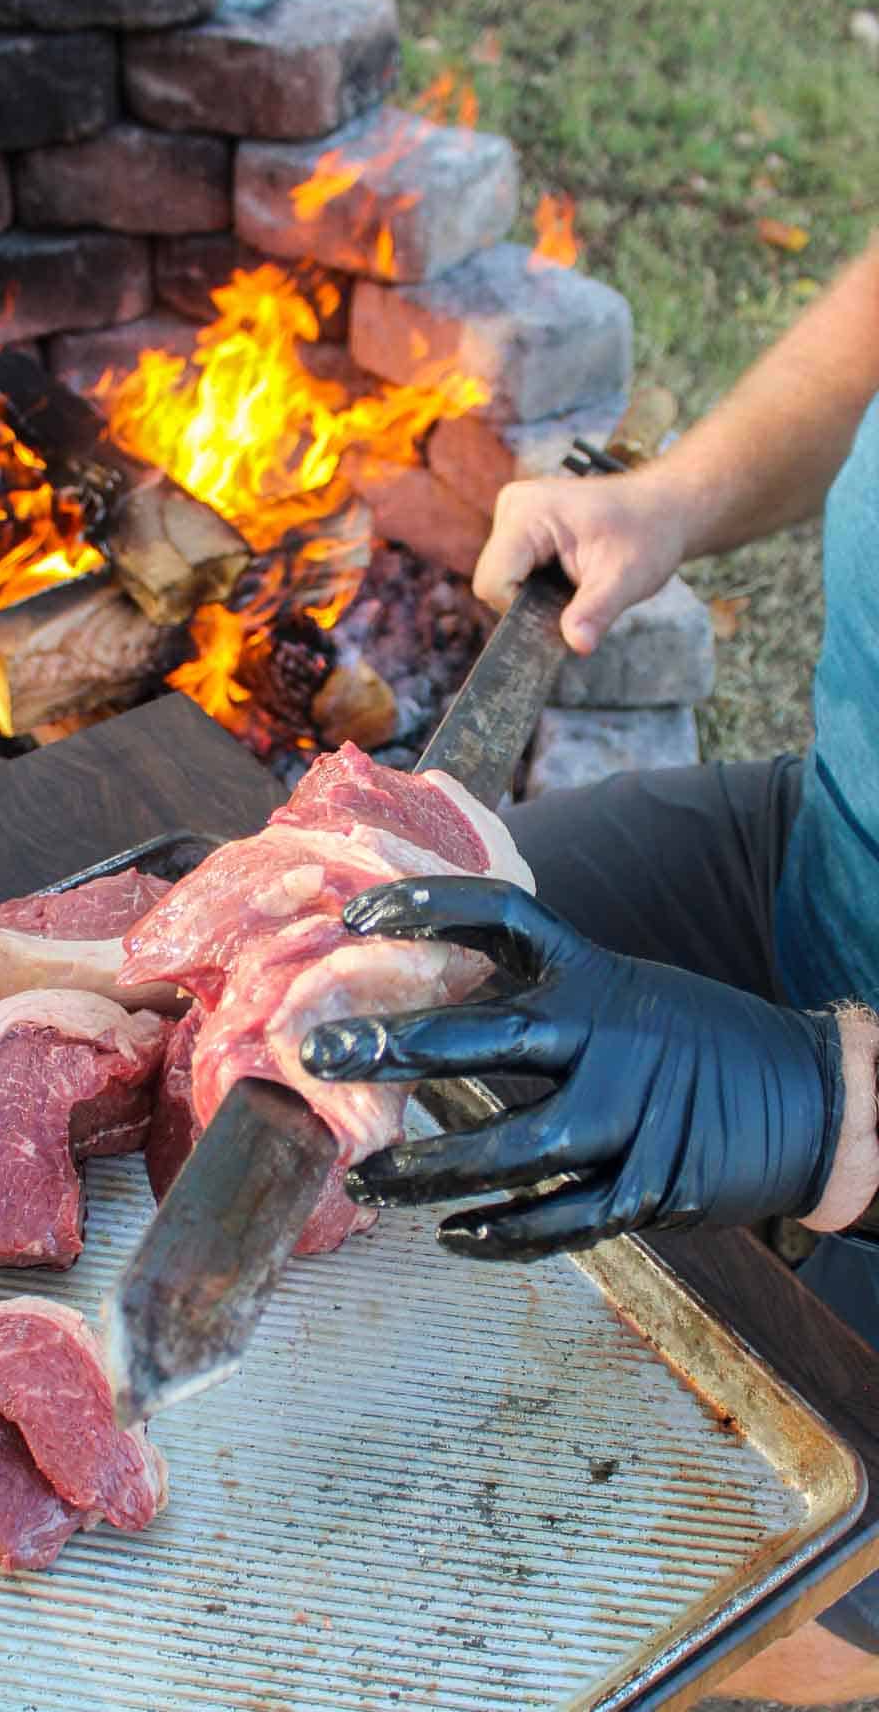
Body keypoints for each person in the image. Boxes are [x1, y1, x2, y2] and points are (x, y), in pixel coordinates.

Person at [302, 230, 879, 1707]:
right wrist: (673, 496)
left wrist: (831, 1105)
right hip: (829, 857)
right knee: (369, 973)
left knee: (693, 1603)